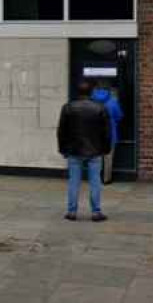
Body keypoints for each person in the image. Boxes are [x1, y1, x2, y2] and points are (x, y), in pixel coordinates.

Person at [58, 81, 111, 222]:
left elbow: (61, 131)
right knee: (95, 181)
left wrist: (62, 148)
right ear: (92, 92)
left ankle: (71, 211)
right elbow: (106, 132)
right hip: (95, 150)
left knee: (73, 181)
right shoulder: (100, 108)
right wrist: (106, 148)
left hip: (74, 150)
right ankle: (96, 212)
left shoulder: (68, 108)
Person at [91, 81, 123, 184]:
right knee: (108, 158)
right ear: (108, 90)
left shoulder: (92, 100)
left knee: (96, 158)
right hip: (110, 134)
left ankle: (95, 178)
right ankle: (106, 179)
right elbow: (119, 116)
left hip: (95, 133)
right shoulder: (113, 101)